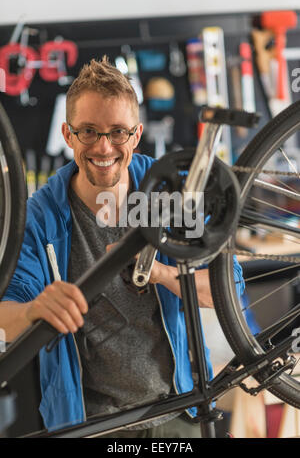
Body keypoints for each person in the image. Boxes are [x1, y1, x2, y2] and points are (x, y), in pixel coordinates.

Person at [0, 57, 244, 438]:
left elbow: (230, 289)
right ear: (67, 134)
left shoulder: (169, 193)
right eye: (89, 131)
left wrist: (160, 272)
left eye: (117, 132)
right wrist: (34, 309)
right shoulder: (40, 217)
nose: (103, 147)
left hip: (179, 411)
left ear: (137, 134)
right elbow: (5, 313)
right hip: (92, 424)